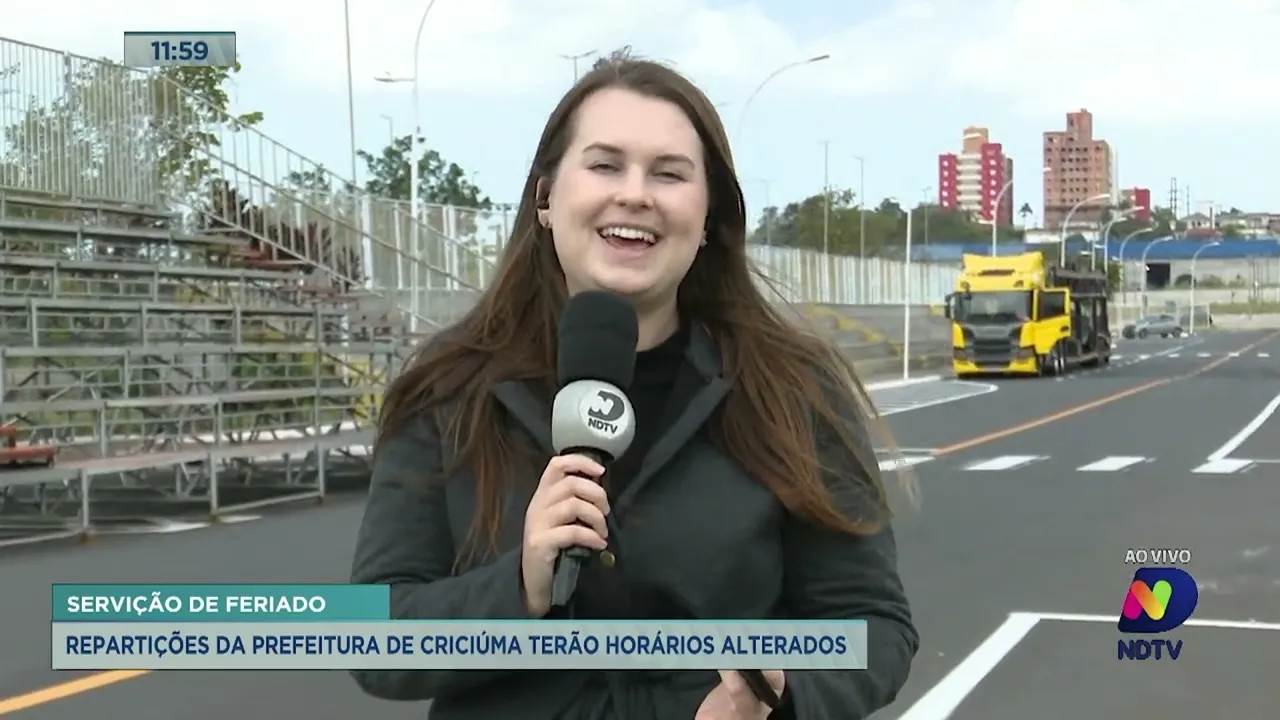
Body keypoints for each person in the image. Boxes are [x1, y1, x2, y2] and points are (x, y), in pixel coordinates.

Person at [349, 51, 919, 719]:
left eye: (670, 174)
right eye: (605, 164)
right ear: (545, 199)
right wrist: (520, 584)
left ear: (707, 218)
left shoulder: (793, 389)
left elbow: (873, 627)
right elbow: (374, 635)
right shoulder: (447, 389)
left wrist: (783, 693)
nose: (636, 194)